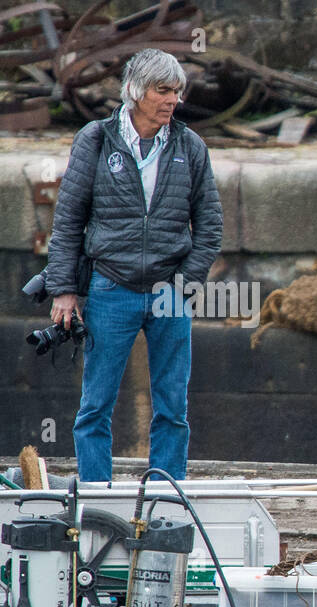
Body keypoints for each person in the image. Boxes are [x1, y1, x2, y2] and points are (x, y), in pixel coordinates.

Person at [44, 49, 222, 482]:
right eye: (163, 90)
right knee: (95, 406)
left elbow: (211, 228)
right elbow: (68, 219)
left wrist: (183, 286)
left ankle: (165, 501)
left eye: (177, 91)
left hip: (169, 294)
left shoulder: (190, 146)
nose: (172, 100)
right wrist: (64, 289)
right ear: (135, 92)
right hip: (110, 289)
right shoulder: (95, 139)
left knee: (172, 408)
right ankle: (96, 501)